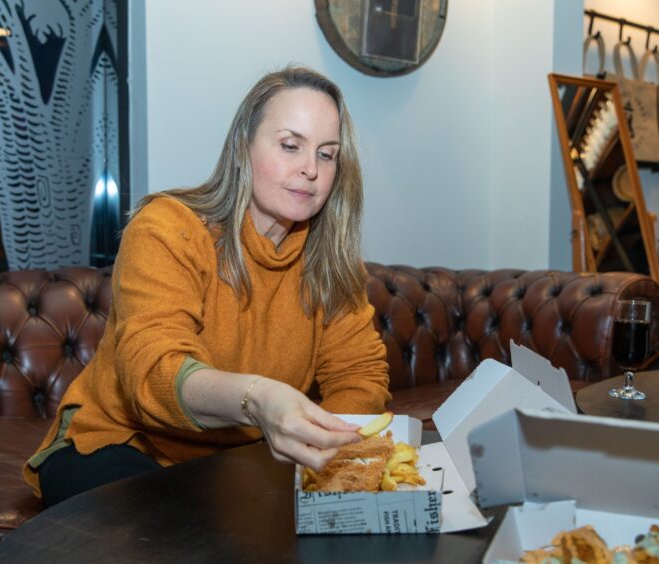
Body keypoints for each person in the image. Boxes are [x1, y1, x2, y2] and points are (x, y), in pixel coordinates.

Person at [24, 66, 391, 506]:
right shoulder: (168, 228)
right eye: (290, 146)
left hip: (238, 461)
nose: (310, 169)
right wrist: (258, 398)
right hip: (119, 443)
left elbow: (359, 375)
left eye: (327, 154)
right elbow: (155, 371)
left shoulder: (329, 261)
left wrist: (328, 444)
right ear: (243, 148)